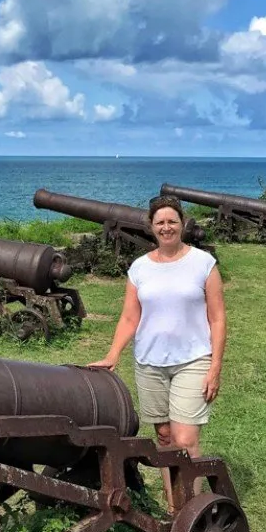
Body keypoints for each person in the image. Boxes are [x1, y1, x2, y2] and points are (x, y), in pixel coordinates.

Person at [94, 198, 226, 508]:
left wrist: (215, 367)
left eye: (172, 221)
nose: (166, 227)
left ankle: (193, 510)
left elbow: (217, 318)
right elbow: (129, 318)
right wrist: (113, 354)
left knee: (186, 440)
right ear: (152, 227)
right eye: (160, 222)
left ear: (182, 224)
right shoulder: (140, 268)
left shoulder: (203, 263)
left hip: (193, 360)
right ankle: (174, 505)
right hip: (150, 363)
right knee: (165, 437)